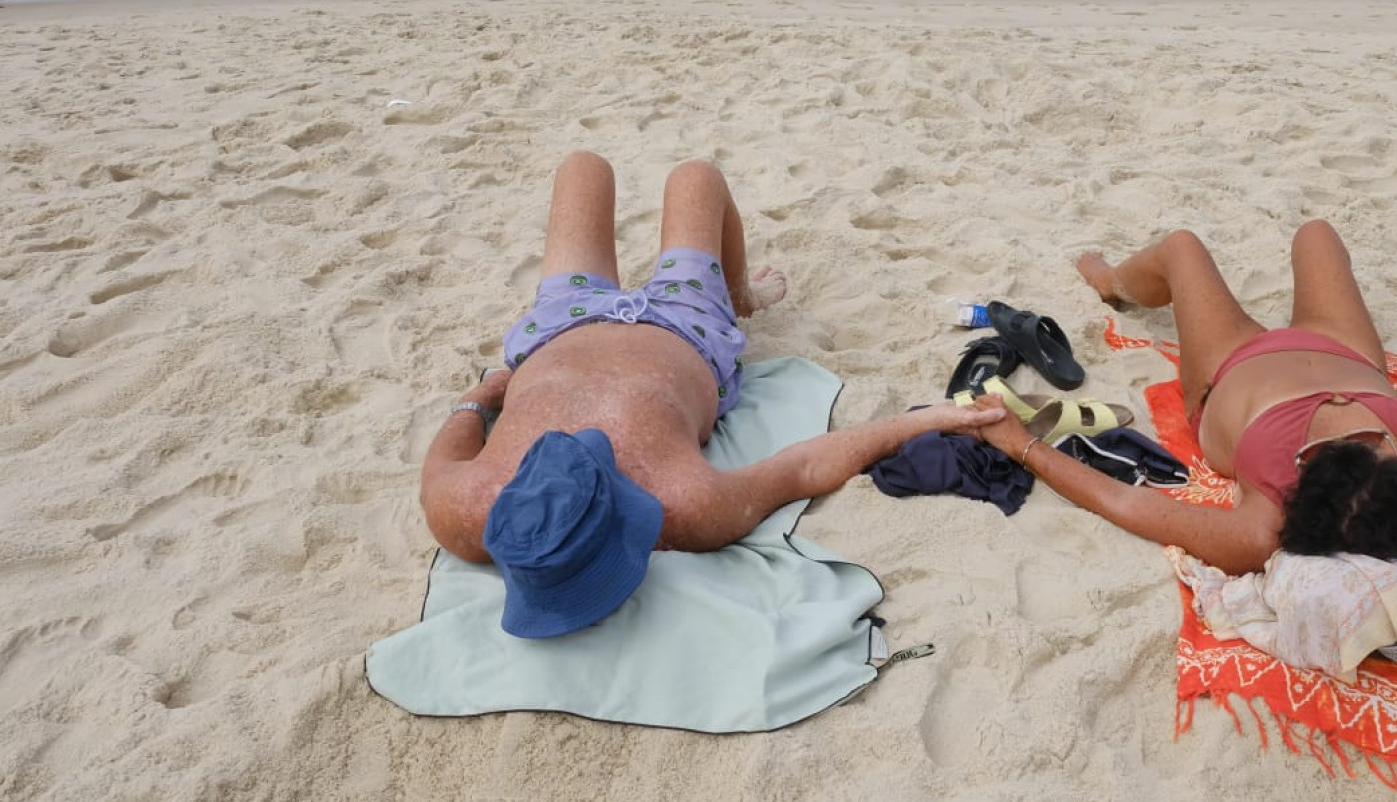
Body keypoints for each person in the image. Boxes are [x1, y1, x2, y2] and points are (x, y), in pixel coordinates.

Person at [419, 151, 1003, 637]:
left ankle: (743, 295)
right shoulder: (683, 506)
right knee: (696, 177)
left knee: (582, 166)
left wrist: (479, 398)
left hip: (563, 326)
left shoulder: (463, 511)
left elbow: (451, 442)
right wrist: (929, 419)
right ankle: (736, 297)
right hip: (685, 326)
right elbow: (804, 467)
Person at [964, 222, 1397, 576]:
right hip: (1347, 354)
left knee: (1183, 248)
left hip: (1229, 365)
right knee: (1317, 234)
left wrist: (1023, 447)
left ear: (1299, 485)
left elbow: (1131, 506)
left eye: (1321, 450)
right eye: (1380, 445)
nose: (1343, 425)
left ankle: (1114, 283)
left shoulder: (1263, 530)